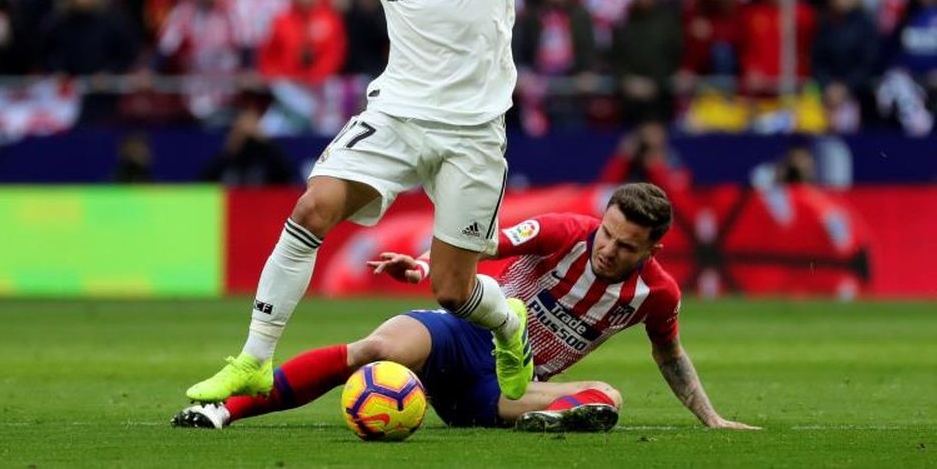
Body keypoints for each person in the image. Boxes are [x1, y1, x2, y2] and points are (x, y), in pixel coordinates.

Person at [136, 0, 644, 405]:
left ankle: (509, 323)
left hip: (473, 133)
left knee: (453, 291)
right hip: (398, 114)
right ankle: (254, 358)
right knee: (313, 206)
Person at [171, 184, 759, 433]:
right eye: (607, 233)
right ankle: (225, 413)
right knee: (376, 349)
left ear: (652, 248)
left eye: (625, 245)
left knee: (610, 395)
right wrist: (427, 266)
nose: (608, 248)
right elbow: (479, 241)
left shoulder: (657, 295)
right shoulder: (565, 232)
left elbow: (670, 355)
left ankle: (539, 419)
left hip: (503, 388)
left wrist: (710, 418)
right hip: (463, 335)